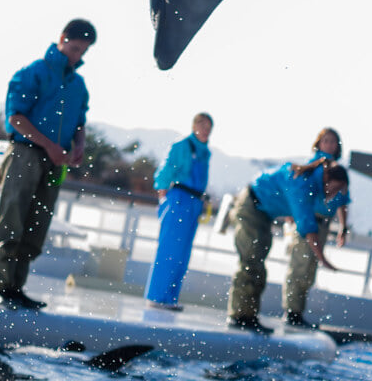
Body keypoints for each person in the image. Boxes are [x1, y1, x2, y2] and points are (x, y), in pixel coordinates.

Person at [0, 18, 96, 310]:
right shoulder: (33, 72)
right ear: (62, 39)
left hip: (55, 162)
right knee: (13, 217)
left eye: (83, 51)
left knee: (37, 223)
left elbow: (80, 123)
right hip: (25, 153)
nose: (77, 56)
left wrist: (79, 146)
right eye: (74, 49)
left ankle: (17, 286)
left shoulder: (78, 85)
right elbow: (15, 118)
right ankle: (1, 285)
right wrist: (49, 145)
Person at [226, 161, 349, 334]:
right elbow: (307, 226)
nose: (333, 194)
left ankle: (248, 317)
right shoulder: (302, 184)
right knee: (251, 262)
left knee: (257, 262)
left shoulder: (312, 183)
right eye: (334, 188)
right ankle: (239, 317)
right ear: (327, 178)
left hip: (262, 213)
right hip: (250, 208)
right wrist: (323, 259)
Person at [144, 112, 214, 310]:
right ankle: (156, 296)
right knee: (169, 249)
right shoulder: (182, 145)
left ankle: (170, 298)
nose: (206, 130)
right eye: (203, 125)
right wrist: (163, 195)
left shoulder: (205, 152)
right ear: (194, 126)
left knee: (183, 253)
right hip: (179, 199)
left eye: (209, 127)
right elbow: (166, 170)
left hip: (195, 202)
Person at [283, 128, 351, 328]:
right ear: (319, 143)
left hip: (324, 224)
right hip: (307, 219)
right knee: (300, 264)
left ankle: (298, 312)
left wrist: (343, 227)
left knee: (310, 268)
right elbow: (297, 189)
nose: (329, 145)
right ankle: (291, 311)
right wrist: (291, 211)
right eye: (326, 141)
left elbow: (343, 201)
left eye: (333, 141)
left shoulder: (339, 171)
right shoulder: (313, 166)